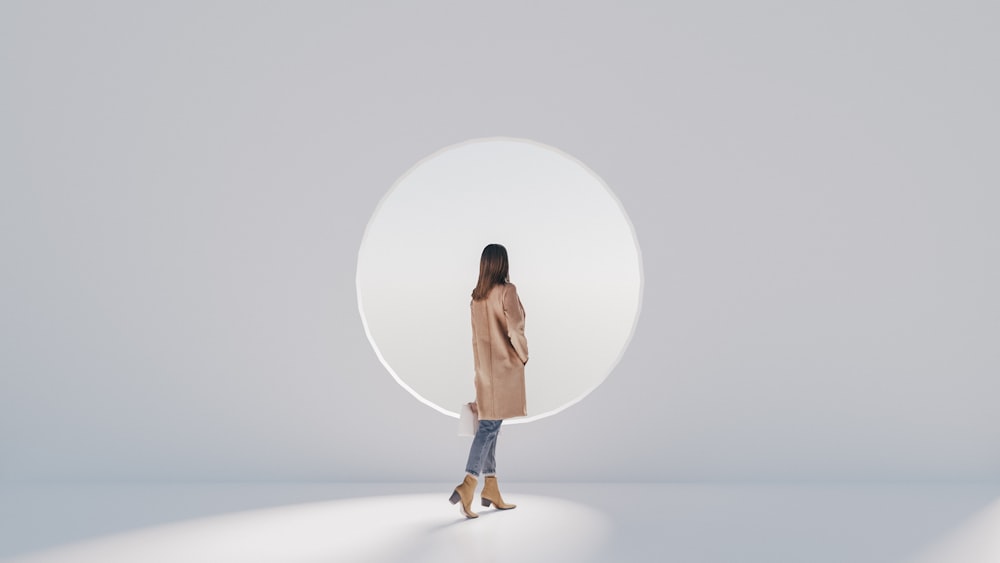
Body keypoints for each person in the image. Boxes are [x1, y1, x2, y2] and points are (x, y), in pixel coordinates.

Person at [449, 243, 528, 519]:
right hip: (504, 370)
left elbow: (476, 340)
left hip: (484, 371)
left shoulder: (476, 298)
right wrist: (523, 356)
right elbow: (516, 328)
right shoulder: (507, 291)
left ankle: (491, 487)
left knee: (490, 426)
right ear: (502, 263)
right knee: (489, 427)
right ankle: (469, 483)